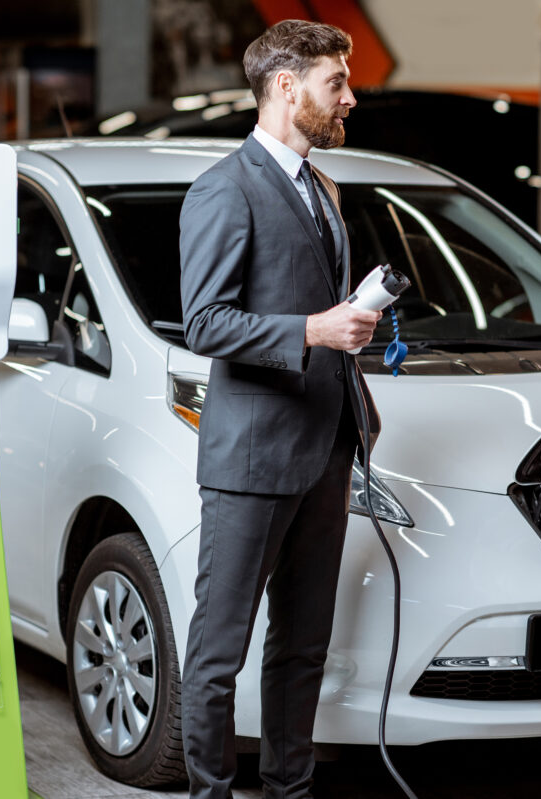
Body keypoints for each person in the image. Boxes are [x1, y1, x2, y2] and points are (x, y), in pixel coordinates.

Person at [178, 20, 382, 799]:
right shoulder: (223, 189)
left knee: (303, 646)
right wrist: (313, 329)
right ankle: (211, 793)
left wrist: (354, 319)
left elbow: (311, 302)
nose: (350, 99)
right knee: (219, 649)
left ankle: (290, 789)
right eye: (337, 84)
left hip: (326, 445)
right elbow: (205, 321)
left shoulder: (323, 186)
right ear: (287, 88)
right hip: (253, 456)